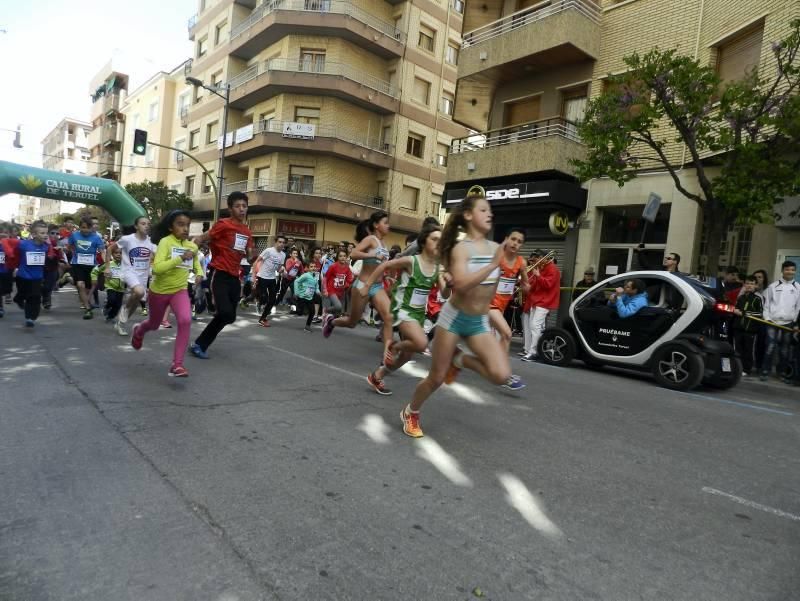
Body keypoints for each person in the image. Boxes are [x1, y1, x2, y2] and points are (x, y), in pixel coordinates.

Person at [400, 187, 524, 438]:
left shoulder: (494, 247)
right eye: (483, 210)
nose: (489, 214)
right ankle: (410, 412)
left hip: (478, 321)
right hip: (454, 319)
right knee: (435, 378)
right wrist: (491, 264)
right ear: (468, 215)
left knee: (501, 375)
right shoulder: (461, 249)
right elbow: (463, 285)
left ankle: (459, 360)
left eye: (490, 211)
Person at [360, 224, 446, 395]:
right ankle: (393, 347)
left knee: (407, 356)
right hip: (402, 309)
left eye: (440, 240)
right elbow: (385, 266)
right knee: (421, 343)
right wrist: (368, 285)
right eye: (434, 239)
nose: (438, 243)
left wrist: (449, 284)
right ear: (423, 242)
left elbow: (445, 291)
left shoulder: (438, 267)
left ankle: (377, 376)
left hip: (418, 313)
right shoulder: (411, 261)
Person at [130, 210, 203, 377]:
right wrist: (180, 258)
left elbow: (196, 263)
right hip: (159, 292)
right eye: (180, 224)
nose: (185, 229)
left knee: (185, 320)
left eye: (188, 225)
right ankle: (139, 331)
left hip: (179, 290)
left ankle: (177, 365)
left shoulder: (192, 246)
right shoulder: (165, 242)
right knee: (154, 325)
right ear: (171, 227)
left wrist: (199, 273)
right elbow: (157, 268)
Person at [322, 211, 395, 367]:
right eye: (386, 222)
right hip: (362, 285)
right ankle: (331, 321)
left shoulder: (384, 244)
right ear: (377, 225)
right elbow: (354, 253)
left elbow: (380, 265)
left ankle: (386, 357)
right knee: (352, 322)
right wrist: (373, 254)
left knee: (389, 317)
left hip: (377, 286)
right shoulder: (371, 240)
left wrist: (386, 275)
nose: (389, 226)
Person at [190, 192, 256, 359]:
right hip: (219, 273)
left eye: (244, 206)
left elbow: (249, 256)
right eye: (237, 206)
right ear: (230, 208)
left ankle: (199, 342)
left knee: (229, 316)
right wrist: (189, 256)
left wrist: (252, 256)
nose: (242, 209)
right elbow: (202, 238)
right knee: (225, 312)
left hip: (235, 276)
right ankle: (200, 344)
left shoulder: (247, 231)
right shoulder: (223, 225)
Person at [488, 227, 529, 357]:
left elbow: (526, 285)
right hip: (488, 303)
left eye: (519, 241)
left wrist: (525, 286)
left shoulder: (521, 263)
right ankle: (502, 372)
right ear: (506, 239)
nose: (515, 243)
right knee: (507, 334)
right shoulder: (496, 256)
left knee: (493, 339)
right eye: (513, 239)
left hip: (501, 306)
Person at [113, 217, 157, 332]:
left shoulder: (151, 242)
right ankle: (124, 309)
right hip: (129, 271)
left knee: (136, 302)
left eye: (148, 224)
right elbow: (110, 249)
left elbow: (160, 256)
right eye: (143, 223)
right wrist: (107, 266)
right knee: (139, 292)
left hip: (143, 275)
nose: (146, 226)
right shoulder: (127, 239)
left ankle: (121, 323)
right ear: (136, 226)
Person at [760, 261, 800, 381]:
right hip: (772, 321)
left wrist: (795, 322)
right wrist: (767, 318)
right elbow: (766, 305)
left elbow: (799, 307)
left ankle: (781, 373)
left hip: (789, 323)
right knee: (770, 346)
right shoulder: (773, 286)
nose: (790, 272)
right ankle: (765, 371)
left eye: (792, 270)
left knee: (785, 349)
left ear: (795, 271)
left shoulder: (798, 287)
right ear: (782, 271)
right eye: (787, 269)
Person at [521, 249, 560, 362]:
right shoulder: (541, 268)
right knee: (534, 326)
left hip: (544, 301)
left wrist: (538, 276)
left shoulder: (553, 269)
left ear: (544, 258)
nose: (536, 260)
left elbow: (548, 285)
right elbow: (534, 285)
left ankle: (534, 352)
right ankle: (536, 350)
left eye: (538, 258)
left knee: (535, 326)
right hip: (536, 300)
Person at [67, 216, 105, 319]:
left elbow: (102, 251)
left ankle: (86, 302)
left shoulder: (96, 238)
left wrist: (106, 264)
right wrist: (72, 255)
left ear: (92, 228)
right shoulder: (74, 235)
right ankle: (88, 309)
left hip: (91, 265)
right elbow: (70, 247)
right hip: (78, 264)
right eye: (83, 227)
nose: (85, 230)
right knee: (80, 285)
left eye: (88, 228)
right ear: (79, 227)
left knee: (88, 289)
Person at [13, 221, 49, 327]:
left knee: (34, 296)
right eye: (42, 233)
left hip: (37, 277)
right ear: (33, 235)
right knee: (23, 294)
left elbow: (51, 256)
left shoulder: (46, 247)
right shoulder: (23, 244)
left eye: (46, 233)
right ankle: (18, 299)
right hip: (22, 276)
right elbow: (13, 251)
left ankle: (30, 317)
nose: (45, 235)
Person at [733, 275, 764, 376]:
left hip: (750, 329)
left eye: (752, 284)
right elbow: (736, 310)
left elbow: (760, 314)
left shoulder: (757, 299)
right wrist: (735, 311)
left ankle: (747, 369)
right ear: (744, 285)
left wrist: (744, 313)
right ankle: (737, 367)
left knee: (748, 350)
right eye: (747, 283)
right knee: (737, 349)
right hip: (738, 328)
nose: (749, 286)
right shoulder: (741, 297)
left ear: (756, 286)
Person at [253, 235, 287, 327]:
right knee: (264, 297)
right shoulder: (269, 251)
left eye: (283, 243)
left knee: (272, 300)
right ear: (275, 242)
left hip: (272, 278)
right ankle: (257, 300)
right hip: (262, 277)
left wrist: (282, 271)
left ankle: (262, 319)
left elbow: (279, 268)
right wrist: (254, 277)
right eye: (279, 242)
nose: (281, 244)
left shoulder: (283, 255)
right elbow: (256, 262)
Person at [41, 225, 68, 311]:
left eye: (57, 234)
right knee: (42, 286)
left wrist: (62, 259)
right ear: (47, 234)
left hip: (52, 268)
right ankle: (45, 299)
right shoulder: (42, 243)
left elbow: (62, 257)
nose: (55, 235)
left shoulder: (59, 245)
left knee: (49, 286)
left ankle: (46, 298)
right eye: (52, 233)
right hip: (41, 268)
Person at [323, 249, 354, 316]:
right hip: (331, 290)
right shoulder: (333, 266)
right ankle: (326, 310)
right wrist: (325, 290)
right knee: (338, 306)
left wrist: (346, 285)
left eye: (344, 256)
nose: (342, 258)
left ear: (346, 257)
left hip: (341, 292)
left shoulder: (347, 268)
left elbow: (349, 280)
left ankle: (328, 318)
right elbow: (325, 278)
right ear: (337, 257)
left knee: (338, 311)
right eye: (340, 256)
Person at [293, 260, 321, 332]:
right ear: (308, 268)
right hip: (302, 296)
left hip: (310, 297)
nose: (313, 268)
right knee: (300, 312)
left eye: (314, 267)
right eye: (311, 267)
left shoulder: (315, 277)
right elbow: (296, 281)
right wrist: (296, 292)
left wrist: (318, 291)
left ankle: (307, 326)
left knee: (312, 312)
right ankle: (294, 306)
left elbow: (316, 286)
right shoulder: (306, 275)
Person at [101, 246, 126, 323]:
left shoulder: (126, 265)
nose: (118, 255)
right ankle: (106, 307)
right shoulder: (109, 264)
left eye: (121, 253)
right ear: (112, 254)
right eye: (116, 253)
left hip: (121, 288)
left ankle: (110, 317)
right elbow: (95, 271)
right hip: (111, 286)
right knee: (112, 300)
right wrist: (95, 278)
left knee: (118, 305)